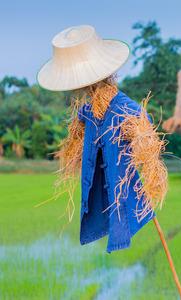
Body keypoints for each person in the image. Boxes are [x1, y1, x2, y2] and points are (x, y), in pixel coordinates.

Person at [37, 25, 167, 252]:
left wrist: (149, 171)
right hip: (102, 200)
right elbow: (74, 146)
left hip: (126, 200)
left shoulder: (129, 111)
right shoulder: (86, 112)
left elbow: (149, 155)